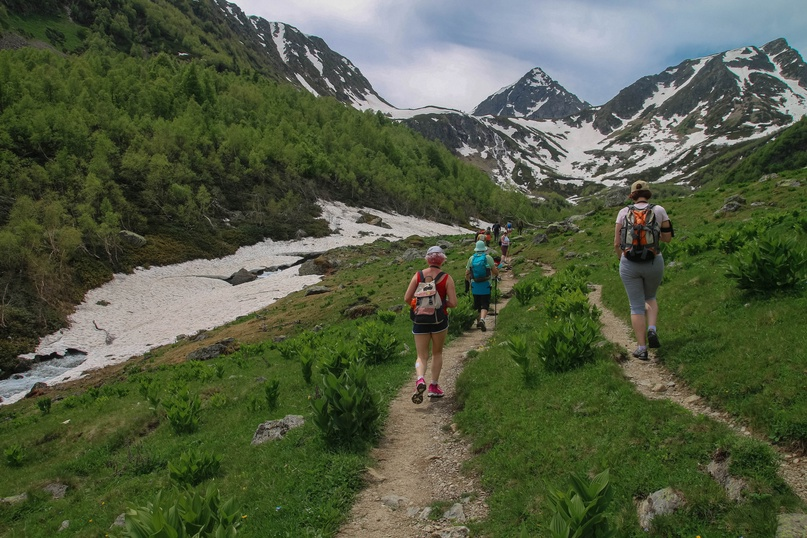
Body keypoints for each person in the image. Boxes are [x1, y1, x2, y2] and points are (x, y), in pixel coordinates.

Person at [614, 180, 673, 361]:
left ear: (632, 195)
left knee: (636, 306)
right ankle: (652, 329)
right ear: (648, 194)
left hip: (629, 262)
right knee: (651, 297)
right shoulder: (659, 210)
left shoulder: (624, 212)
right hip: (653, 260)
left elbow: (617, 243)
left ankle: (641, 348)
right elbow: (667, 238)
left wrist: (621, 258)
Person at [404, 246, 458, 403]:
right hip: (439, 320)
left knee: (422, 355)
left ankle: (420, 379)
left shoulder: (418, 275)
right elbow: (454, 303)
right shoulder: (446, 277)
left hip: (419, 320)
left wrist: (419, 307)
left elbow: (407, 298)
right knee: (437, 353)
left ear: (427, 259)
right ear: (442, 260)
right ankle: (434, 387)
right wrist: (440, 304)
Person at [465, 240, 499, 333]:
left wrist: (468, 283)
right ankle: (483, 319)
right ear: (484, 249)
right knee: (485, 303)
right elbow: (495, 271)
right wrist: (496, 275)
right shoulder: (488, 257)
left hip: (475, 284)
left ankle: (477, 322)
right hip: (486, 284)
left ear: (476, 249)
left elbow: (467, 273)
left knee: (477, 303)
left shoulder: (471, 258)